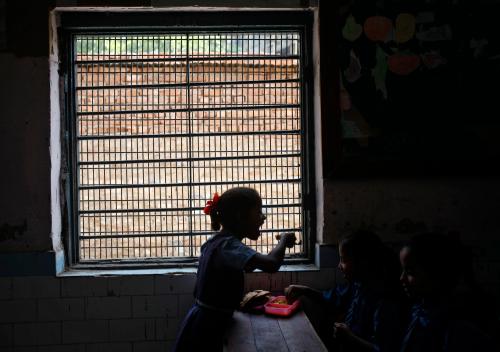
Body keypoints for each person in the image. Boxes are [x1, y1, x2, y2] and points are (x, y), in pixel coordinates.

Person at [171, 187, 296, 352]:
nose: (263, 217)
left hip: (203, 320)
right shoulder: (228, 246)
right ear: (240, 216)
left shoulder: (216, 242)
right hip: (210, 326)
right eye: (258, 212)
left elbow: (250, 265)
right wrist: (284, 240)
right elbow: (271, 264)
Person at [285, 230, 406, 352]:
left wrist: (350, 338)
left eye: (343, 260)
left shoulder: (385, 302)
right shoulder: (357, 286)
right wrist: (305, 290)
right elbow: (331, 298)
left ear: (362, 262)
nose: (339, 266)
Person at [399, 232, 495, 352]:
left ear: (436, 273)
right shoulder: (420, 311)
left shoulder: (459, 327)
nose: (401, 278)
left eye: (410, 272)